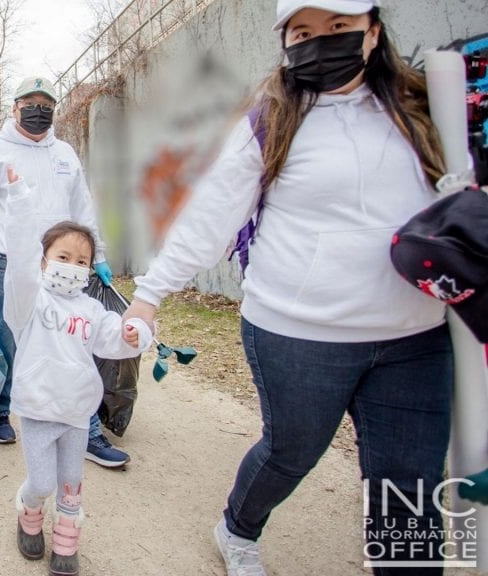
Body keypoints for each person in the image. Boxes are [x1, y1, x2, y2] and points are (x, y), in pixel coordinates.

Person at [123, 2, 452, 574]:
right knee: (290, 451)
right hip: (298, 335)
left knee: (412, 487)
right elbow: (209, 218)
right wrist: (151, 295)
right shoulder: (273, 118)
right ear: (285, 40)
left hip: (415, 336)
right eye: (303, 31)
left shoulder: (425, 105)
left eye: (339, 28)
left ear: (372, 33)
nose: (320, 41)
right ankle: (237, 529)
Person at [0, 75, 125, 468]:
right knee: (6, 340)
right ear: (14, 109)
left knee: (72, 342)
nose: (38, 112)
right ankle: (0, 411)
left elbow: (83, 208)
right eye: (30, 104)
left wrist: (97, 254)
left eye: (46, 105)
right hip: (10, 265)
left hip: (63, 269)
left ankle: (85, 429)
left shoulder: (64, 154)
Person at [2, 167, 148, 576]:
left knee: (70, 483)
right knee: (43, 483)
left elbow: (112, 339)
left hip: (77, 413)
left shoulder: (91, 309)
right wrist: (18, 198)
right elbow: (18, 256)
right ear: (45, 260)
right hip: (38, 409)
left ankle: (67, 540)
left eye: (81, 260)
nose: (72, 265)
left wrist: (137, 333)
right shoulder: (28, 301)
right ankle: (29, 511)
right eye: (63, 257)